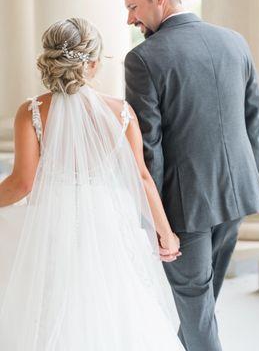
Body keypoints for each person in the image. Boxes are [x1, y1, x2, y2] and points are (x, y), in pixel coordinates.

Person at [0, 18, 185, 350]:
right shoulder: (121, 112)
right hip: (107, 222)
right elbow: (142, 178)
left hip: (53, 224)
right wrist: (166, 233)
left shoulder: (32, 113)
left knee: (54, 304)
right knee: (114, 305)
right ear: (95, 62)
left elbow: (22, 183)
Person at [118, 0, 259, 351]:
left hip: (185, 210)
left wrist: (158, 222)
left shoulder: (143, 60)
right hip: (236, 197)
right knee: (200, 304)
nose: (130, 19)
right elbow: (253, 119)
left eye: (133, 7)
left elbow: (150, 148)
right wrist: (251, 181)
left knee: (194, 308)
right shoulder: (235, 41)